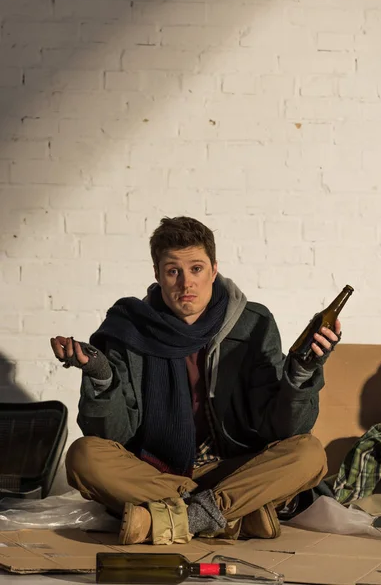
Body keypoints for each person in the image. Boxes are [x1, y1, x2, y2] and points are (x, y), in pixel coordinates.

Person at [50, 216, 341, 545]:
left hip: (234, 468)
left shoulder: (252, 324)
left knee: (309, 453)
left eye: (196, 269)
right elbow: (114, 435)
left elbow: (284, 429)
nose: (185, 284)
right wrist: (101, 375)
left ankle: (172, 519)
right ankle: (231, 518)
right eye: (173, 271)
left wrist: (302, 372)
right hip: (157, 473)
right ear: (158, 274)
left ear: (214, 270)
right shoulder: (130, 329)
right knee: (83, 455)